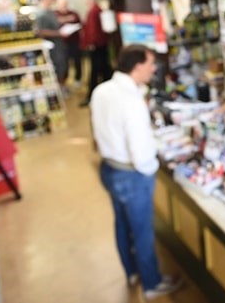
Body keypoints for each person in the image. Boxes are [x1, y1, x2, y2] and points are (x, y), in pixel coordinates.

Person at [90, 44, 182, 299]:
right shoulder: (131, 102)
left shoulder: (102, 91)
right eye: (150, 64)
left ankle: (131, 272)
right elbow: (141, 153)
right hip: (132, 175)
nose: (153, 69)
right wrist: (151, 169)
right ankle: (152, 284)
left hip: (109, 167)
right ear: (137, 66)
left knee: (122, 223)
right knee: (142, 231)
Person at [80, 0, 112, 107]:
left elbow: (93, 30)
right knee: (103, 70)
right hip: (101, 45)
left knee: (96, 71)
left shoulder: (93, 11)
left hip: (97, 46)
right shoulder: (96, 10)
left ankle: (92, 97)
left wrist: (91, 43)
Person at [35, 0, 69, 87]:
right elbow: (40, 31)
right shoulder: (41, 13)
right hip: (52, 47)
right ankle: (58, 89)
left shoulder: (50, 11)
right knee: (57, 68)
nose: (50, 0)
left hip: (59, 45)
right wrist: (59, 33)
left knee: (63, 67)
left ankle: (61, 87)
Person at [55, 0, 82, 88]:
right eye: (62, 4)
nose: (64, 6)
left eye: (65, 4)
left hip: (74, 42)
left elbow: (79, 23)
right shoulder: (55, 14)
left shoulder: (73, 13)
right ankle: (64, 81)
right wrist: (67, 19)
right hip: (62, 44)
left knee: (77, 61)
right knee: (64, 64)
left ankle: (78, 79)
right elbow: (56, 22)